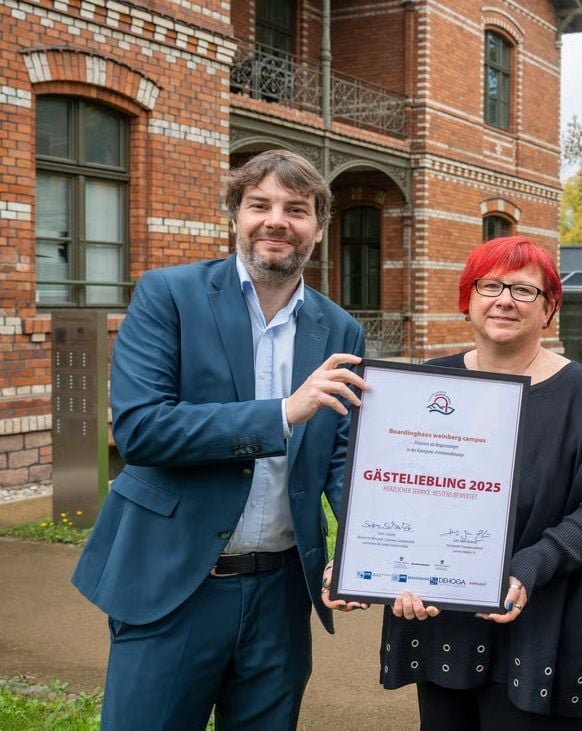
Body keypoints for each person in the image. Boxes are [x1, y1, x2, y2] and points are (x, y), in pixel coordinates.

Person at [72, 149, 369, 730]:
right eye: (259, 204)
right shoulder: (169, 295)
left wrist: (363, 553)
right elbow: (140, 430)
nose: (276, 220)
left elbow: (342, 454)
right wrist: (283, 412)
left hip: (282, 593)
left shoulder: (339, 327)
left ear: (319, 227)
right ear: (235, 214)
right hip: (174, 583)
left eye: (297, 209)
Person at [324, 236, 582, 730]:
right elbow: (389, 485)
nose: (505, 300)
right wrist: (365, 564)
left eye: (524, 290)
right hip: (441, 622)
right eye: (490, 285)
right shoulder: (427, 386)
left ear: (549, 308)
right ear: (467, 299)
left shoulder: (579, 391)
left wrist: (531, 565)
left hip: (540, 627)